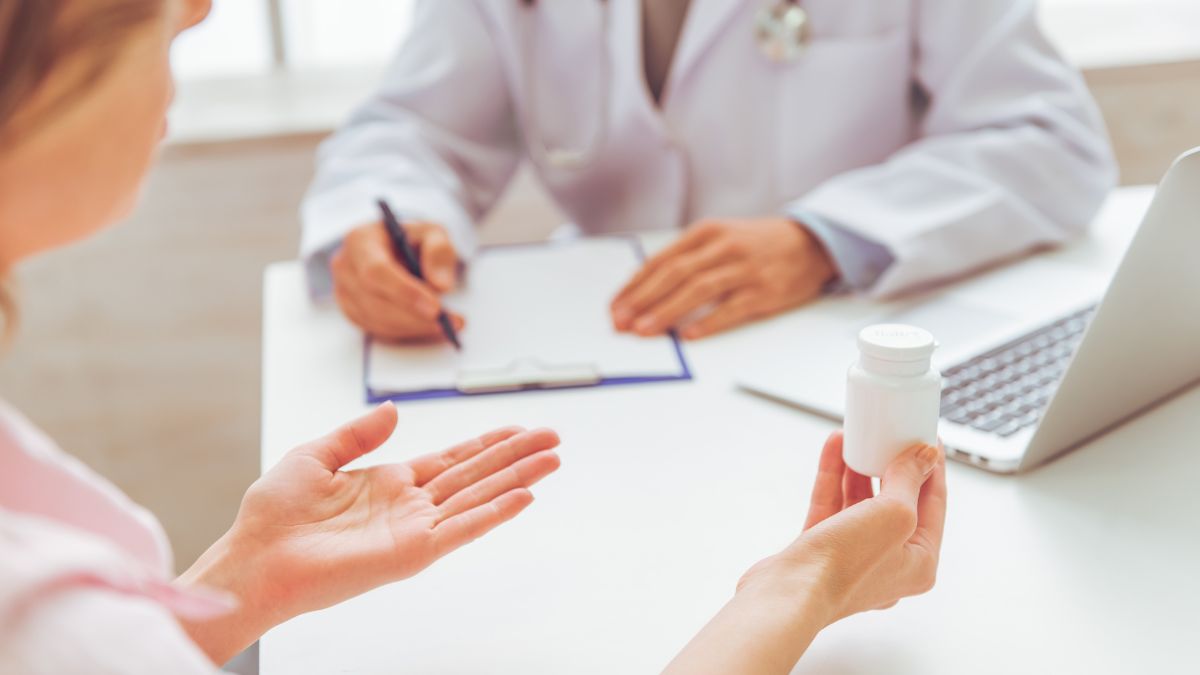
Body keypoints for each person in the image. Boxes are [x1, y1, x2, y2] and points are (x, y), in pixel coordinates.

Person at [0, 1, 946, 672]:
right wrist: (801, 589)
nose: (200, 9)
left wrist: (243, 580)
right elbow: (408, 124)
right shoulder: (41, 611)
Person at [302, 0, 1116, 344]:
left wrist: (822, 238)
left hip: (837, 337)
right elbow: (414, 125)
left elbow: (1050, 138)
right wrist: (382, 225)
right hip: (619, 337)